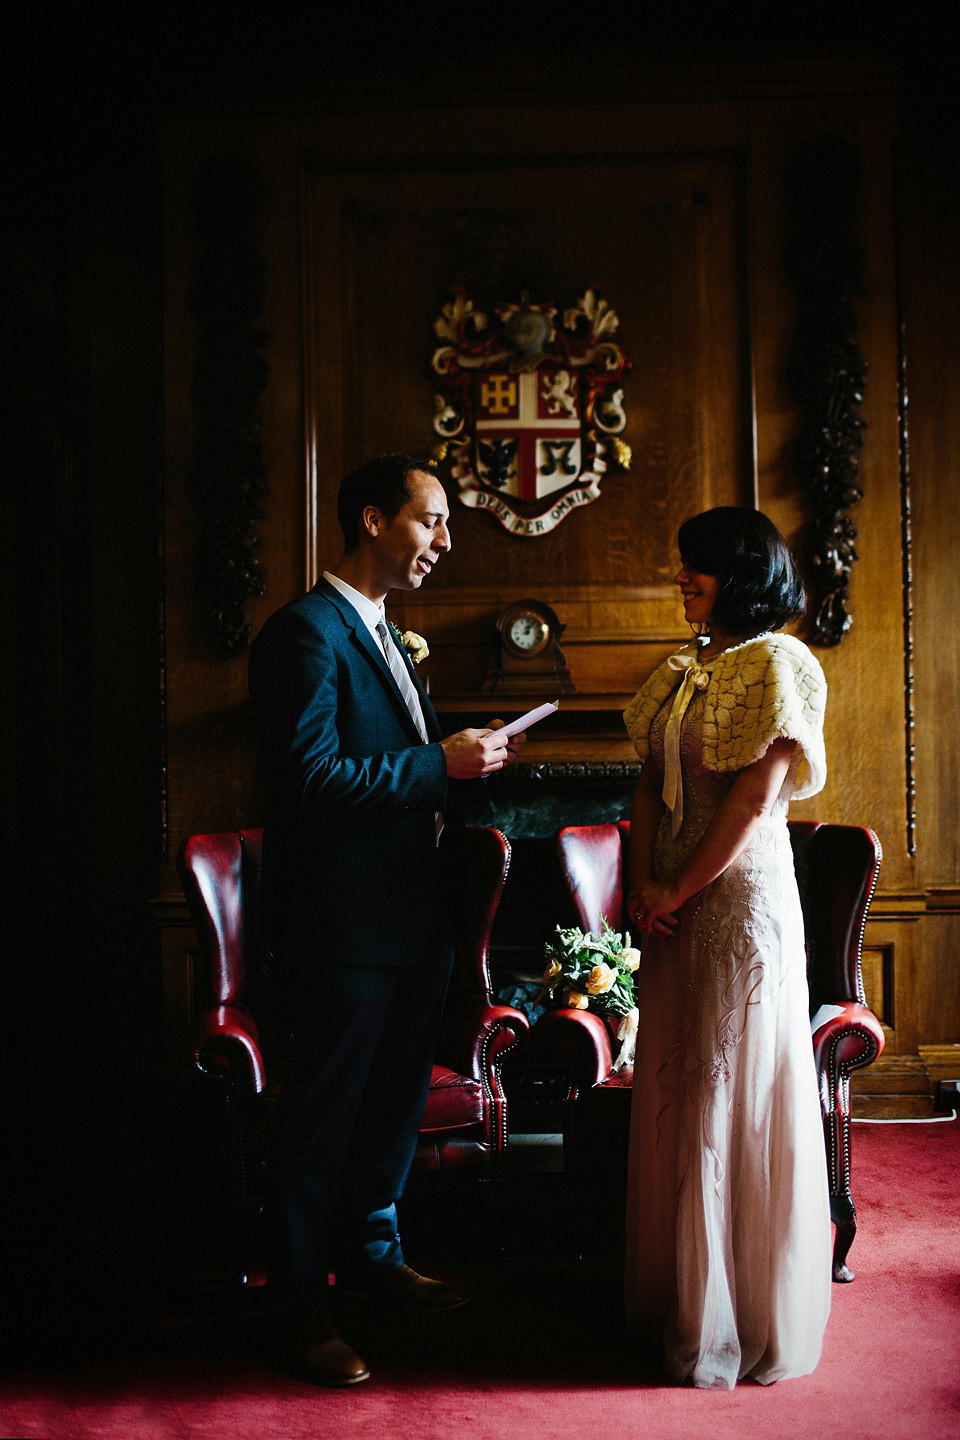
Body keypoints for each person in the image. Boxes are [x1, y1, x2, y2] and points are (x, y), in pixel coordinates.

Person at [248, 454, 524, 1386]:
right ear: (370, 520)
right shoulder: (305, 633)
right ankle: (296, 1307)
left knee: (393, 1112)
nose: (443, 543)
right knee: (321, 1124)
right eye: (430, 521)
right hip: (341, 929)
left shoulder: (386, 633)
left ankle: (371, 1259)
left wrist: (461, 770)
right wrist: (439, 764)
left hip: (416, 920)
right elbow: (307, 783)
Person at [621, 506, 831, 1389]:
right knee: (677, 1080)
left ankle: (735, 1315)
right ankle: (678, 1293)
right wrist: (641, 884)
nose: (681, 579)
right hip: (670, 902)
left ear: (739, 575)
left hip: (738, 900)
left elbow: (751, 803)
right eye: (681, 566)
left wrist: (679, 886)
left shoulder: (781, 663)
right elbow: (645, 783)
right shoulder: (685, 667)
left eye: (695, 568)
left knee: (727, 1085)